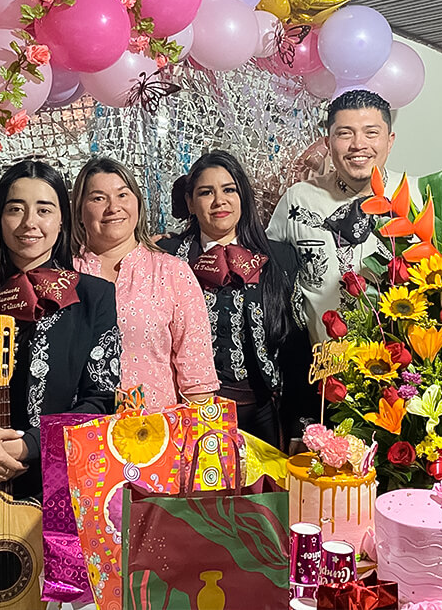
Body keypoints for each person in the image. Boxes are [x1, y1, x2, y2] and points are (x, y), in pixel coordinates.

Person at [0, 160, 120, 513]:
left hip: (62, 486)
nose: (29, 222)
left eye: (44, 210)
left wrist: (30, 445)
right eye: (15, 209)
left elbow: (101, 400)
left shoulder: (93, 296)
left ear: (62, 220)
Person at [159, 151, 308, 446]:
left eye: (229, 190)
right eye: (206, 192)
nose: (219, 201)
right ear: (190, 202)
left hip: (264, 414)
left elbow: (295, 350)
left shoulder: (280, 258)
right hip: (189, 413)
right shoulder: (167, 259)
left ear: (243, 196)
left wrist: (298, 425)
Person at [267, 90, 416, 346]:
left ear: (390, 140)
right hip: (322, 362)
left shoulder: (420, 197)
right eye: (345, 133)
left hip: (405, 362)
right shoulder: (299, 199)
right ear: (328, 142)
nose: (358, 144)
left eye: (371, 133)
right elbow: (267, 271)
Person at [72, 157, 219, 412]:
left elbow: (197, 376)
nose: (113, 207)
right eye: (98, 198)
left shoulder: (172, 272)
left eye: (122, 195)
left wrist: (201, 428)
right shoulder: (64, 275)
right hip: (78, 429)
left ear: (138, 203)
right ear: (79, 211)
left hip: (156, 429)